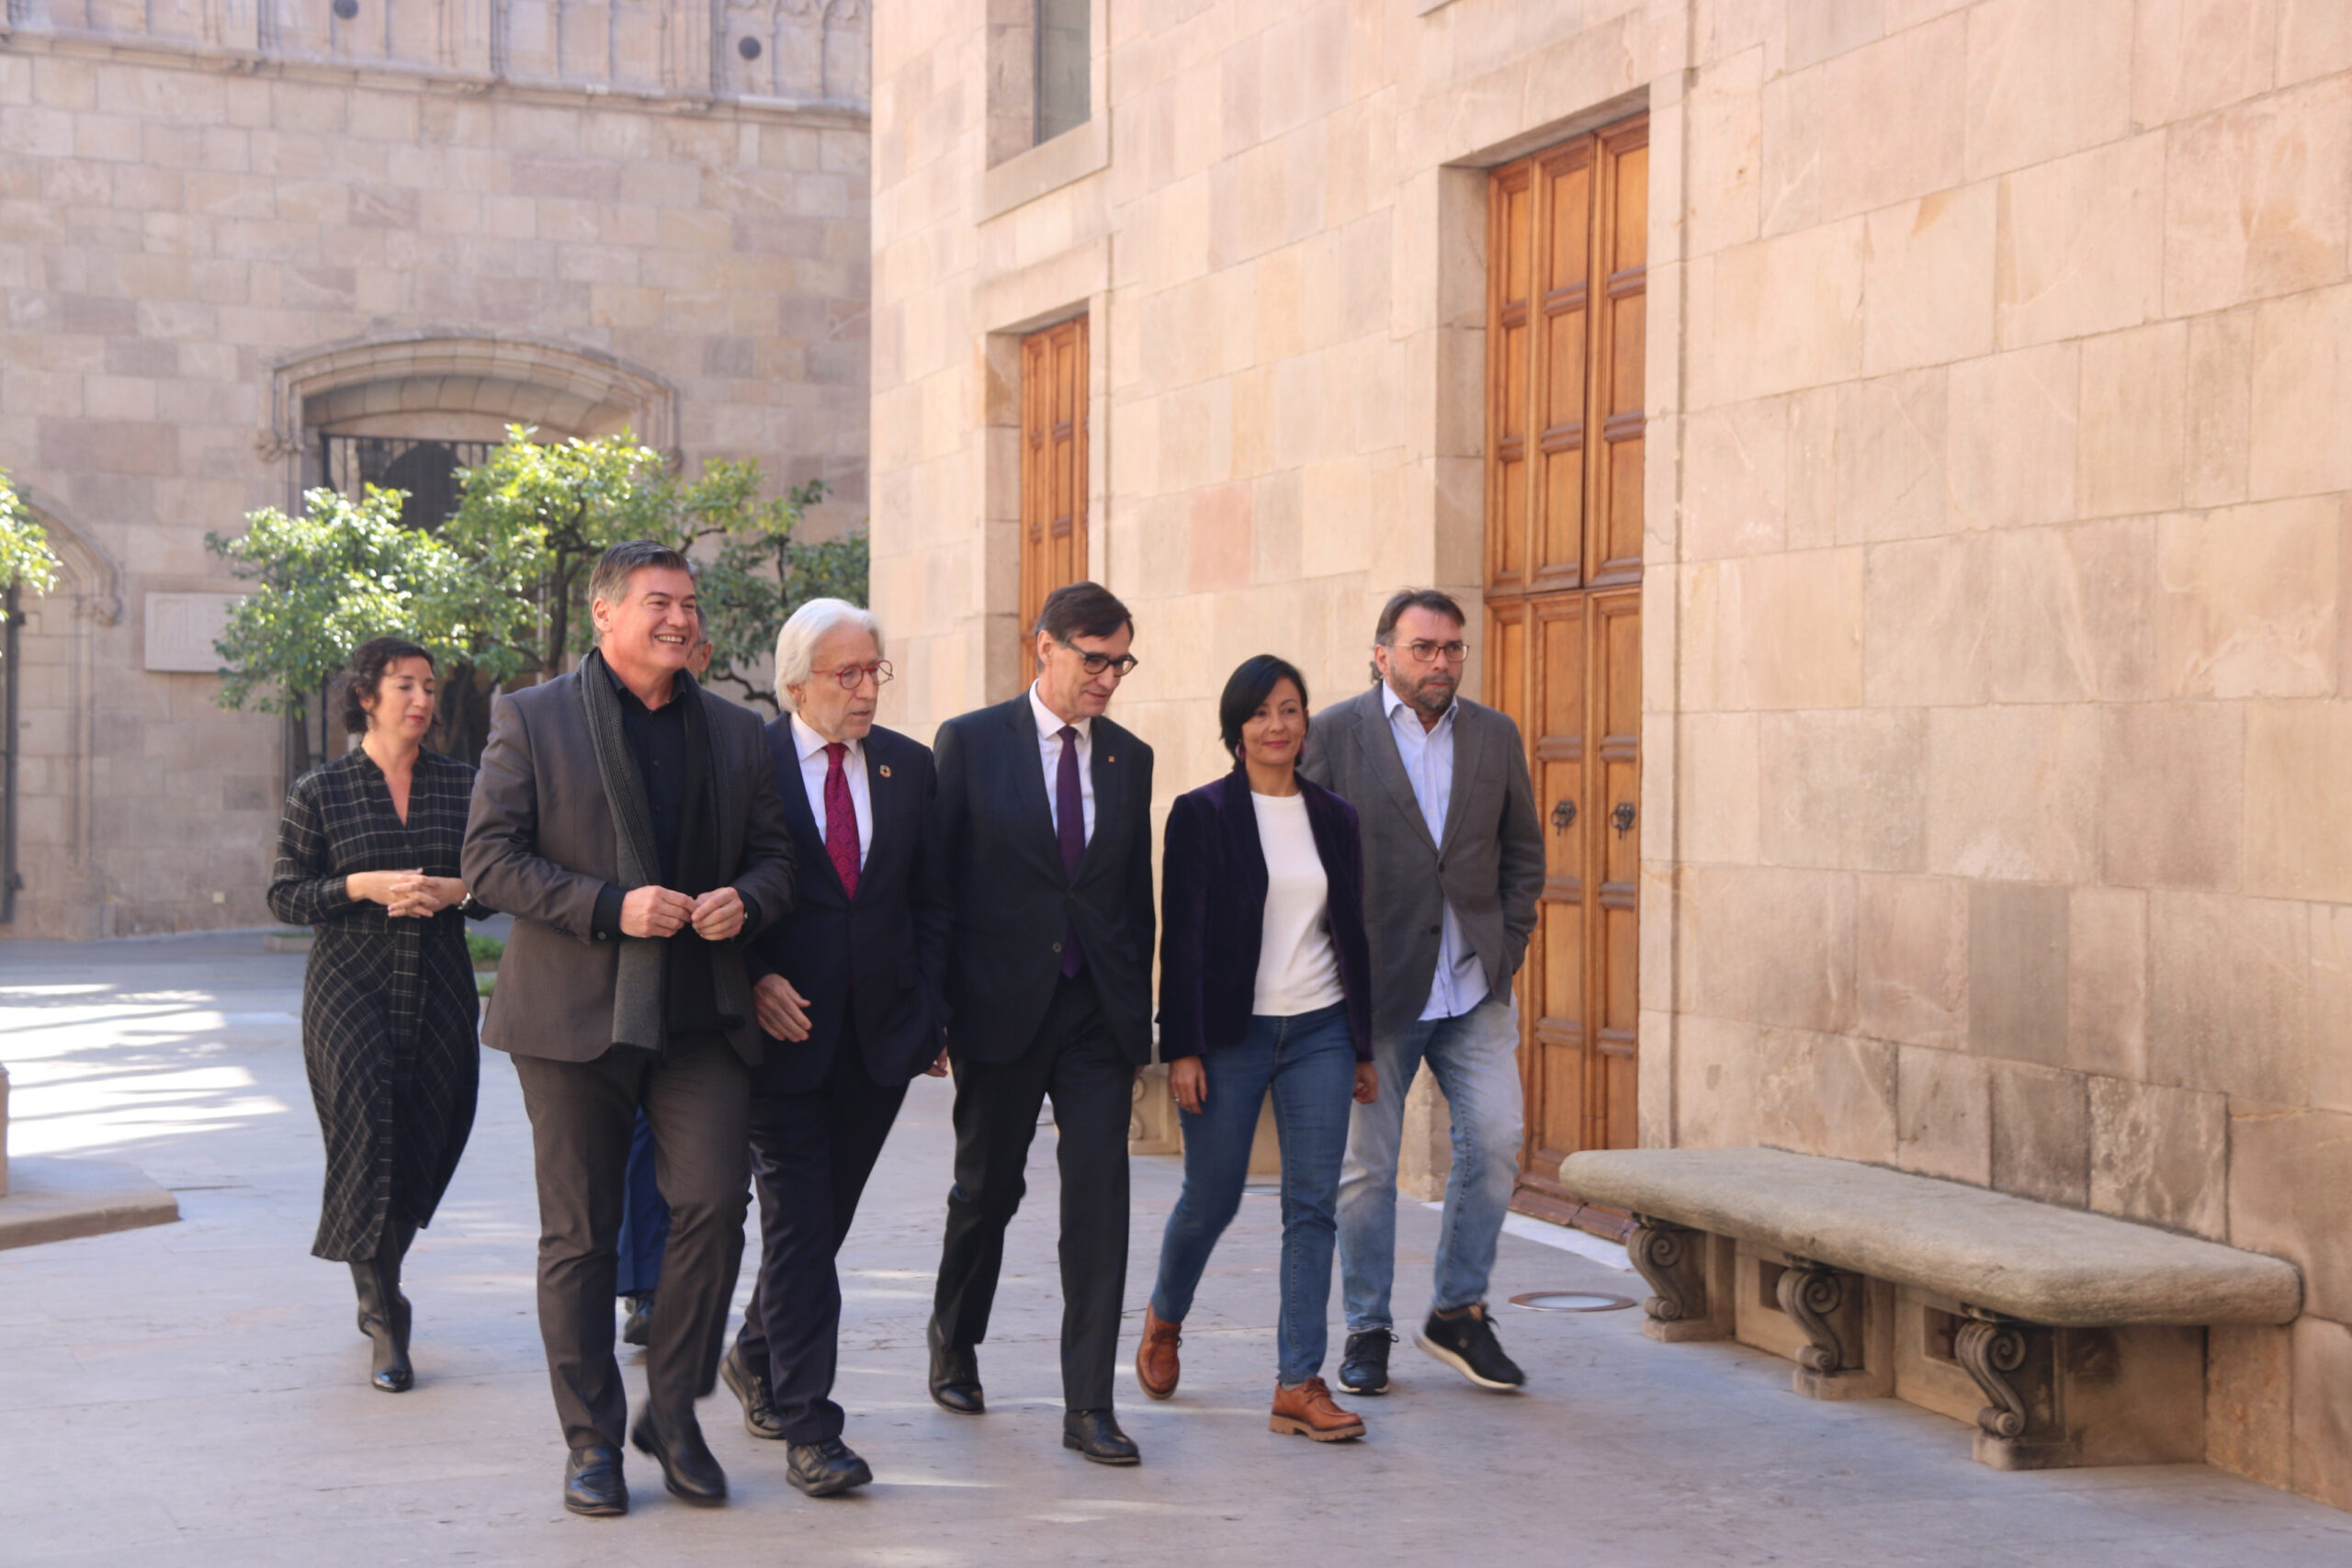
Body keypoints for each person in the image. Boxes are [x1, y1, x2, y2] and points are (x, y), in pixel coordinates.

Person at [463, 540, 797, 1518]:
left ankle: (675, 1414)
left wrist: (746, 899)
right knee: (581, 1237)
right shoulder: (532, 717)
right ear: (604, 614)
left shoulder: (737, 732)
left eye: (689, 604)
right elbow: (489, 861)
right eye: (660, 602)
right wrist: (612, 906)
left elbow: (777, 861)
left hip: (701, 1015)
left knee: (713, 1208)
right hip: (571, 1017)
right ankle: (592, 1443)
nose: (681, 619)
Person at [717, 598, 953, 1497]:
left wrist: (929, 1014)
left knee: (821, 1228)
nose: (865, 690)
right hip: (779, 1045)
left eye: (873, 671)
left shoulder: (908, 766)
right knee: (802, 1228)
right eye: (846, 674)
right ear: (796, 684)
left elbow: (932, 902)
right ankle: (811, 1428)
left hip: (879, 1044)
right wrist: (751, 978)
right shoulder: (747, 765)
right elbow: (714, 888)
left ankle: (754, 1353)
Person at [924, 581, 1157, 1466]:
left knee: (1099, 1201)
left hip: (1095, 1013)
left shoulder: (1129, 757)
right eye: (1094, 660)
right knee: (988, 1188)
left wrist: (1139, 1018)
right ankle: (955, 1337)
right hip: (999, 1006)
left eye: (1121, 663)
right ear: (1045, 647)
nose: (1108, 678)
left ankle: (1089, 1404)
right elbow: (938, 889)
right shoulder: (971, 742)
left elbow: (1133, 896)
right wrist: (936, 1010)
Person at [1299, 589, 1544, 1397]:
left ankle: (1458, 1312)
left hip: (1473, 985)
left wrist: (1507, 942)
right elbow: (1301, 860)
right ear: (1383, 655)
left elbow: (1521, 852)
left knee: (1497, 1141)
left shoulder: (1495, 734)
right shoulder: (1334, 735)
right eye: (1423, 648)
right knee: (1366, 1170)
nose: (1441, 662)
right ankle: (1368, 1325)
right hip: (1374, 994)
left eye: (1452, 648)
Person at [1137, 655, 1378, 1442]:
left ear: (1306, 722)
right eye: (1261, 712)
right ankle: (1165, 1316)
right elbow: (1182, 938)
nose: (1278, 725)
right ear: (1236, 728)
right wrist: (1183, 1047)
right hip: (1230, 1036)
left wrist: (1361, 1045)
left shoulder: (1335, 816)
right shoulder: (1201, 813)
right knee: (1212, 1196)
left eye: (1290, 709)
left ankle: (1297, 1382)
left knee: (1313, 1206)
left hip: (1320, 1030)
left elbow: (1351, 933)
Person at [268, 636, 484, 1394]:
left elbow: (498, 878)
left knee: (430, 1130)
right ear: (366, 696)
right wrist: (358, 884)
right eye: (404, 685)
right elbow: (285, 893)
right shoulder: (320, 790)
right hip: (348, 982)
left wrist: (455, 892)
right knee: (366, 1129)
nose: (422, 699)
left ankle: (381, 1282)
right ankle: (384, 1312)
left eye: (429, 685)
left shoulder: (463, 784)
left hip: (440, 981)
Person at [613, 629, 711, 1349]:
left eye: (696, 638)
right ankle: (647, 1286)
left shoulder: (729, 735)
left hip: (709, 979)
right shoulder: (592, 727)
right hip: (622, 976)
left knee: (711, 1173)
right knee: (642, 1141)